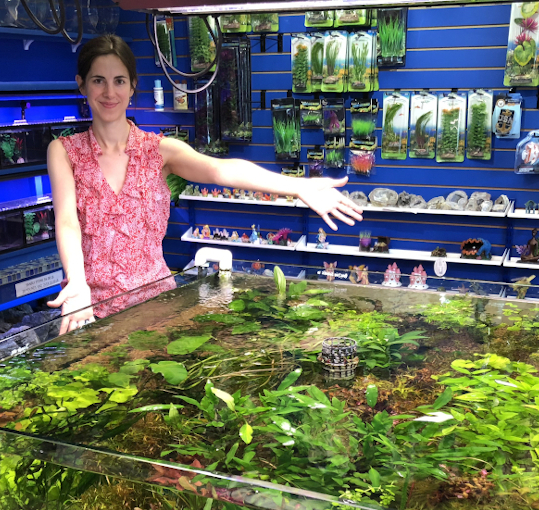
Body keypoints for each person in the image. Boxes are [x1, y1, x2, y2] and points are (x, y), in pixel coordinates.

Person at [48, 35, 363, 333]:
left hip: (157, 310)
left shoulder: (158, 149)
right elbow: (66, 221)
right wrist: (76, 281)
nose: (109, 92)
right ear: (82, 85)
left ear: (132, 87)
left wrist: (298, 187)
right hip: (90, 310)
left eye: (118, 80)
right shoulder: (64, 151)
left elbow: (221, 171)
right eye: (98, 80)